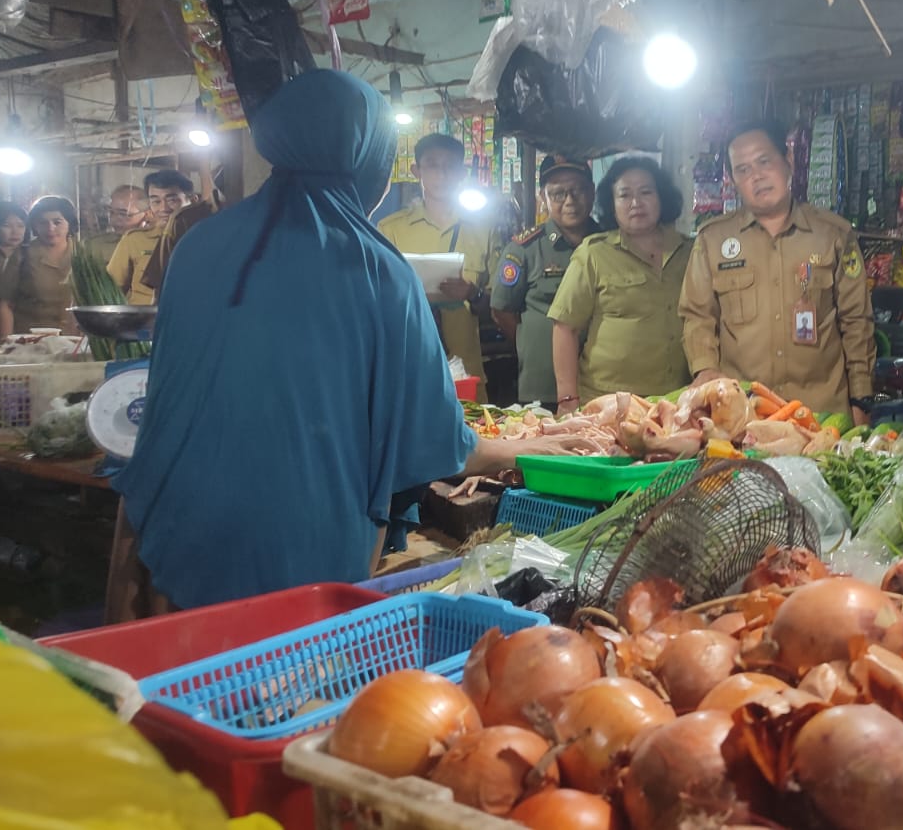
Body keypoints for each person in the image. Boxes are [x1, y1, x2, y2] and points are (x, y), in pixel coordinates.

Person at [107, 70, 602, 622]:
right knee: (279, 686)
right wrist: (529, 447)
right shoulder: (377, 269)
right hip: (301, 544)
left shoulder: (200, 246)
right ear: (369, 160)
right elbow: (438, 443)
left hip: (178, 523)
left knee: (185, 678)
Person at [681, 121, 876, 421]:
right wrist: (706, 369)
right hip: (742, 415)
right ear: (733, 180)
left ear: (788, 161)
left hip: (821, 414)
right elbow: (698, 316)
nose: (756, 176)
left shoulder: (833, 234)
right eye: (743, 170)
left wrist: (861, 399)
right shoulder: (713, 240)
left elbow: (856, 321)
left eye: (763, 161)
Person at [549, 157, 692, 410]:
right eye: (624, 195)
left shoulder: (691, 252)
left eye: (646, 192)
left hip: (676, 401)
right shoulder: (594, 254)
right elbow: (565, 328)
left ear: (662, 197)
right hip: (606, 403)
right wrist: (567, 399)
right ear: (611, 205)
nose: (636, 203)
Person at [378, 134, 496, 401]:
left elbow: (500, 306)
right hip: (409, 367)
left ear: (462, 173)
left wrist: (472, 294)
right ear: (416, 171)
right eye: (432, 165)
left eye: (451, 166)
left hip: (466, 372)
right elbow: (376, 299)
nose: (442, 174)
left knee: (476, 436)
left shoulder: (483, 229)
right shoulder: (390, 230)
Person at [490, 154, 601, 410]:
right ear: (543, 198)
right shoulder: (524, 250)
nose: (570, 201)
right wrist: (530, 343)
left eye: (578, 191)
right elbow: (502, 310)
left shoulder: (609, 243)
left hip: (601, 382)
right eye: (558, 194)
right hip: (544, 383)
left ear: (592, 192)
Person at [0, 196, 78, 337]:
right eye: (43, 223)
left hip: (74, 340)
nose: (50, 228)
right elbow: (5, 304)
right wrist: (6, 342)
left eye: (57, 222)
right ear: (34, 225)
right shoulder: (23, 255)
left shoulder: (83, 256)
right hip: (30, 339)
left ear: (69, 223)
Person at [108, 172, 187, 306]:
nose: (164, 208)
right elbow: (111, 291)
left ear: (193, 199)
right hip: (142, 322)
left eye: (172, 200)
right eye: (156, 201)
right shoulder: (134, 240)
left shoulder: (203, 240)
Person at [0, 202, 29, 340]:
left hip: (24, 332)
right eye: (7, 225)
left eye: (21, 225)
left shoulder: (30, 256)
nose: (15, 231)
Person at [86, 185, 148, 268]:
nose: (114, 219)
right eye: (111, 212)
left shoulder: (155, 245)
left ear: (146, 214)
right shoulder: (95, 246)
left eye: (123, 214)